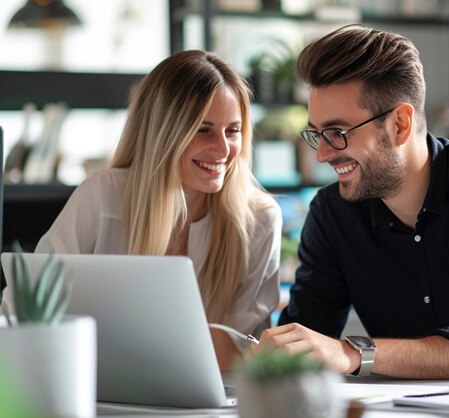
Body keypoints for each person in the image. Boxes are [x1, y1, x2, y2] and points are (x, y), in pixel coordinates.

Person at [255, 24, 449, 379]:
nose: (322, 155)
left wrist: (353, 353)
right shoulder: (333, 213)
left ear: (400, 124)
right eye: (317, 134)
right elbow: (306, 336)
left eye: (337, 133)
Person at [2, 50, 282, 371]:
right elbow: (22, 313)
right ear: (162, 132)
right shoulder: (102, 197)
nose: (222, 149)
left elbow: (243, 351)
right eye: (202, 129)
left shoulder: (259, 219)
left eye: (232, 130)